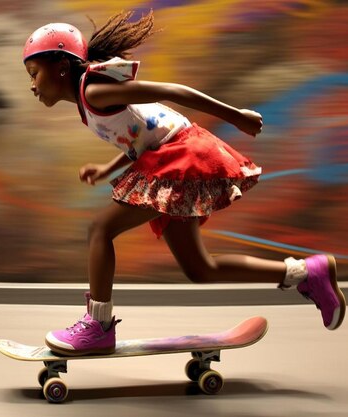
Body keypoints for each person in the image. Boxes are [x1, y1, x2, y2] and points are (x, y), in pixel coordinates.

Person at [22, 10, 345, 356]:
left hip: (181, 156)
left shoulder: (94, 91)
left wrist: (236, 117)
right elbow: (142, 136)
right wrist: (108, 169)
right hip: (167, 157)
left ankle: (97, 326)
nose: (32, 84)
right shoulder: (88, 102)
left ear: (60, 67)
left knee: (100, 230)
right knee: (199, 268)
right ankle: (305, 273)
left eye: (34, 73)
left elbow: (174, 92)